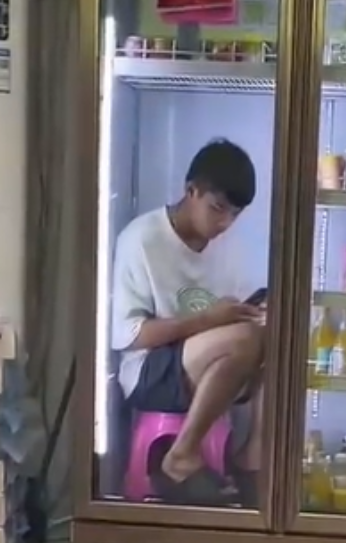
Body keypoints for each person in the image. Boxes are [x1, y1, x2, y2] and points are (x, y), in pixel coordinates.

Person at [111, 138, 266, 505]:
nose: (225, 223)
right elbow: (129, 336)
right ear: (190, 191)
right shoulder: (142, 240)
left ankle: (255, 453)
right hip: (151, 370)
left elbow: (236, 313)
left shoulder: (229, 246)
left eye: (235, 215)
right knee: (243, 340)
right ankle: (181, 456)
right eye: (217, 209)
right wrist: (208, 320)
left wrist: (255, 310)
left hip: (210, 361)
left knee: (279, 327)